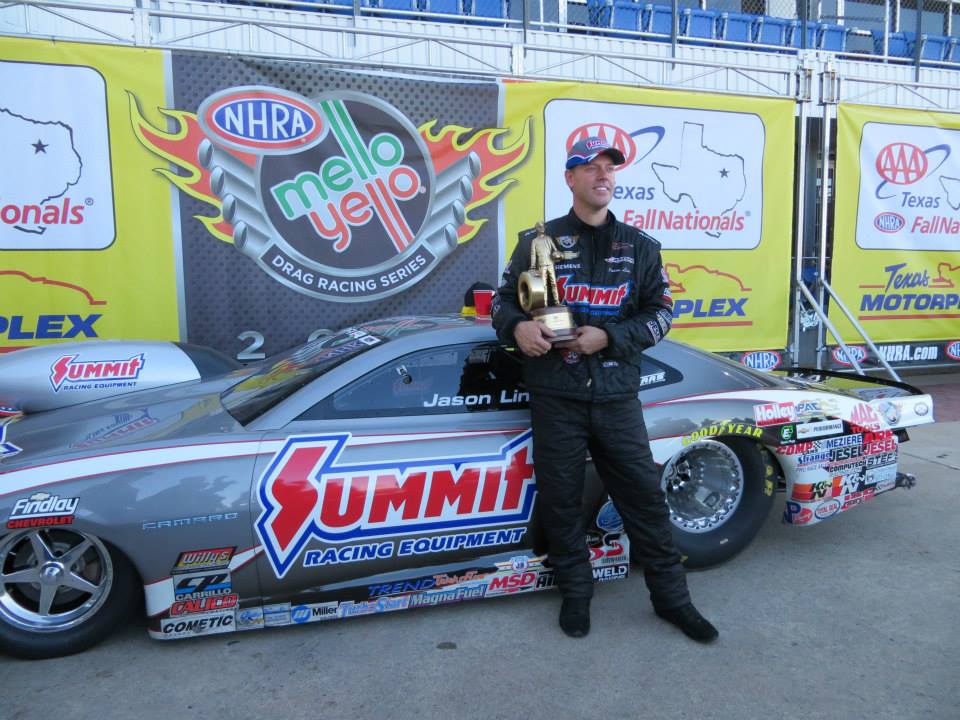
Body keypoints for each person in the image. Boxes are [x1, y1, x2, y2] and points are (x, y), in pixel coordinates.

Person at [491, 136, 718, 643]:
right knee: (562, 503)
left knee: (646, 501)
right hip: (555, 395)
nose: (602, 176)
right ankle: (577, 594)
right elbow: (502, 303)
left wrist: (610, 337)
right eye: (589, 168)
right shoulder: (538, 242)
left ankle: (673, 601)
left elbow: (662, 315)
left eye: (609, 168)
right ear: (569, 179)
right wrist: (517, 329)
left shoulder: (639, 247)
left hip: (616, 397)